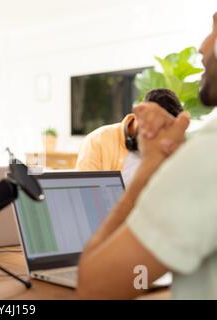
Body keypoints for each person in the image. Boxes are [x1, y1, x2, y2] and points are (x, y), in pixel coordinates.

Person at [76, 12, 217, 299]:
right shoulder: (100, 140)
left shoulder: (206, 155)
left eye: (215, 28)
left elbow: (93, 286)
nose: (203, 47)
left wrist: (151, 165)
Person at [75, 89, 183, 185]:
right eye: (156, 129)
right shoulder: (98, 140)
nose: (158, 138)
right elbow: (87, 192)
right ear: (140, 114)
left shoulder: (167, 146)